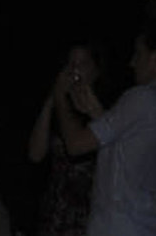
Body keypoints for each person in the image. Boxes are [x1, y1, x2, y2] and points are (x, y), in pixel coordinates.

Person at [53, 16, 156, 236]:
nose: (132, 63)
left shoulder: (145, 97)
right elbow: (129, 148)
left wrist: (60, 96)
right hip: (147, 225)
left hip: (119, 225)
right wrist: (96, 112)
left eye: (138, 54)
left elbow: (75, 144)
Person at [28, 44, 104, 236]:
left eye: (82, 63)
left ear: (96, 70)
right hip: (54, 213)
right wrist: (54, 98)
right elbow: (35, 154)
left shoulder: (103, 110)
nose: (75, 70)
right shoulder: (60, 110)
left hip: (86, 217)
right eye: (71, 64)